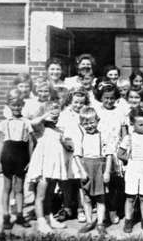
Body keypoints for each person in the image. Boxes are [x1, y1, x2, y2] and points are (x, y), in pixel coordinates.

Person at [26, 101, 69, 233]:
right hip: (43, 168)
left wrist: (67, 145)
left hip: (53, 168)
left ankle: (49, 217)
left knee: (50, 195)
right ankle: (41, 221)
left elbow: (61, 145)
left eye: (57, 115)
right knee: (41, 196)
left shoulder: (59, 130)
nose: (54, 117)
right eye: (52, 115)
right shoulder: (41, 129)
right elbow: (33, 123)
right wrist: (45, 115)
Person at [117, 107, 143, 233]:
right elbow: (120, 153)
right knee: (130, 196)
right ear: (132, 124)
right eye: (140, 124)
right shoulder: (129, 137)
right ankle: (128, 220)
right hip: (133, 168)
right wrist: (129, 159)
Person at [0, 89, 33, 230]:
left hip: (21, 155)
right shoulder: (4, 123)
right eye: (14, 105)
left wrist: (30, 160)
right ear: (9, 106)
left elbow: (30, 143)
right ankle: (5, 216)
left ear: (22, 106)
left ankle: (19, 215)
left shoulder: (26, 122)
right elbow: (0, 143)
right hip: (8, 155)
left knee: (19, 188)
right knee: (7, 187)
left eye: (19, 105)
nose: (17, 108)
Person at [73, 107, 111, 235]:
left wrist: (107, 172)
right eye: (86, 123)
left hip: (99, 168)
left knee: (101, 198)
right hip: (86, 168)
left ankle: (100, 223)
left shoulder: (102, 135)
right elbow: (77, 155)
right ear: (81, 124)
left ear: (97, 121)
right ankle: (89, 222)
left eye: (92, 122)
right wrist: (82, 172)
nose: (89, 126)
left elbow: (109, 154)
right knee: (87, 198)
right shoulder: (81, 137)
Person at [95, 83, 128, 225]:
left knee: (116, 183)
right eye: (106, 98)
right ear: (101, 98)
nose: (109, 101)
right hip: (100, 150)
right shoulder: (97, 111)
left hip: (115, 151)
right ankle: (103, 210)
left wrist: (124, 149)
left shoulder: (120, 112)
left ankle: (114, 209)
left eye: (112, 98)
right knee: (102, 182)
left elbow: (125, 134)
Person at [56, 87, 90, 223]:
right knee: (67, 181)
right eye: (75, 102)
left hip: (81, 152)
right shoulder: (65, 114)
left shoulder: (87, 114)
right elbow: (60, 132)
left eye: (81, 103)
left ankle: (81, 208)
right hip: (68, 151)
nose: (78, 105)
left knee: (81, 181)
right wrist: (64, 143)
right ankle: (67, 207)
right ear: (70, 101)